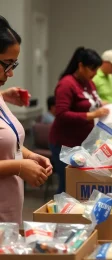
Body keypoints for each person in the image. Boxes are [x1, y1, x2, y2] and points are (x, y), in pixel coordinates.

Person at [0, 15, 52, 225]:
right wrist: (19, 167)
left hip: (8, 216)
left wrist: (30, 156)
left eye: (15, 65)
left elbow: (8, 144)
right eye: (7, 64)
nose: (10, 73)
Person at [49, 47, 109, 194]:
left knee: (79, 185)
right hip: (65, 144)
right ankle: (61, 215)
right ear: (80, 65)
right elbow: (61, 114)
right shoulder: (66, 84)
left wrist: (104, 105)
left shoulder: (89, 82)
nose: (95, 73)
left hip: (83, 143)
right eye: (92, 69)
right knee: (68, 185)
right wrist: (92, 115)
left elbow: (92, 103)